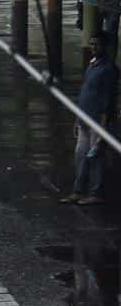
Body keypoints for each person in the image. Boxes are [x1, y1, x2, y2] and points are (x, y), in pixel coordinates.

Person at [62, 38, 117, 205]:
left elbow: (108, 99)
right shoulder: (92, 64)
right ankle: (78, 191)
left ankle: (95, 193)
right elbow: (85, 92)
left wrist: (102, 126)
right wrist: (77, 117)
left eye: (97, 44)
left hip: (96, 121)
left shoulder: (108, 69)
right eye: (92, 44)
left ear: (105, 46)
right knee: (80, 156)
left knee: (95, 157)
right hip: (84, 118)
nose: (93, 47)